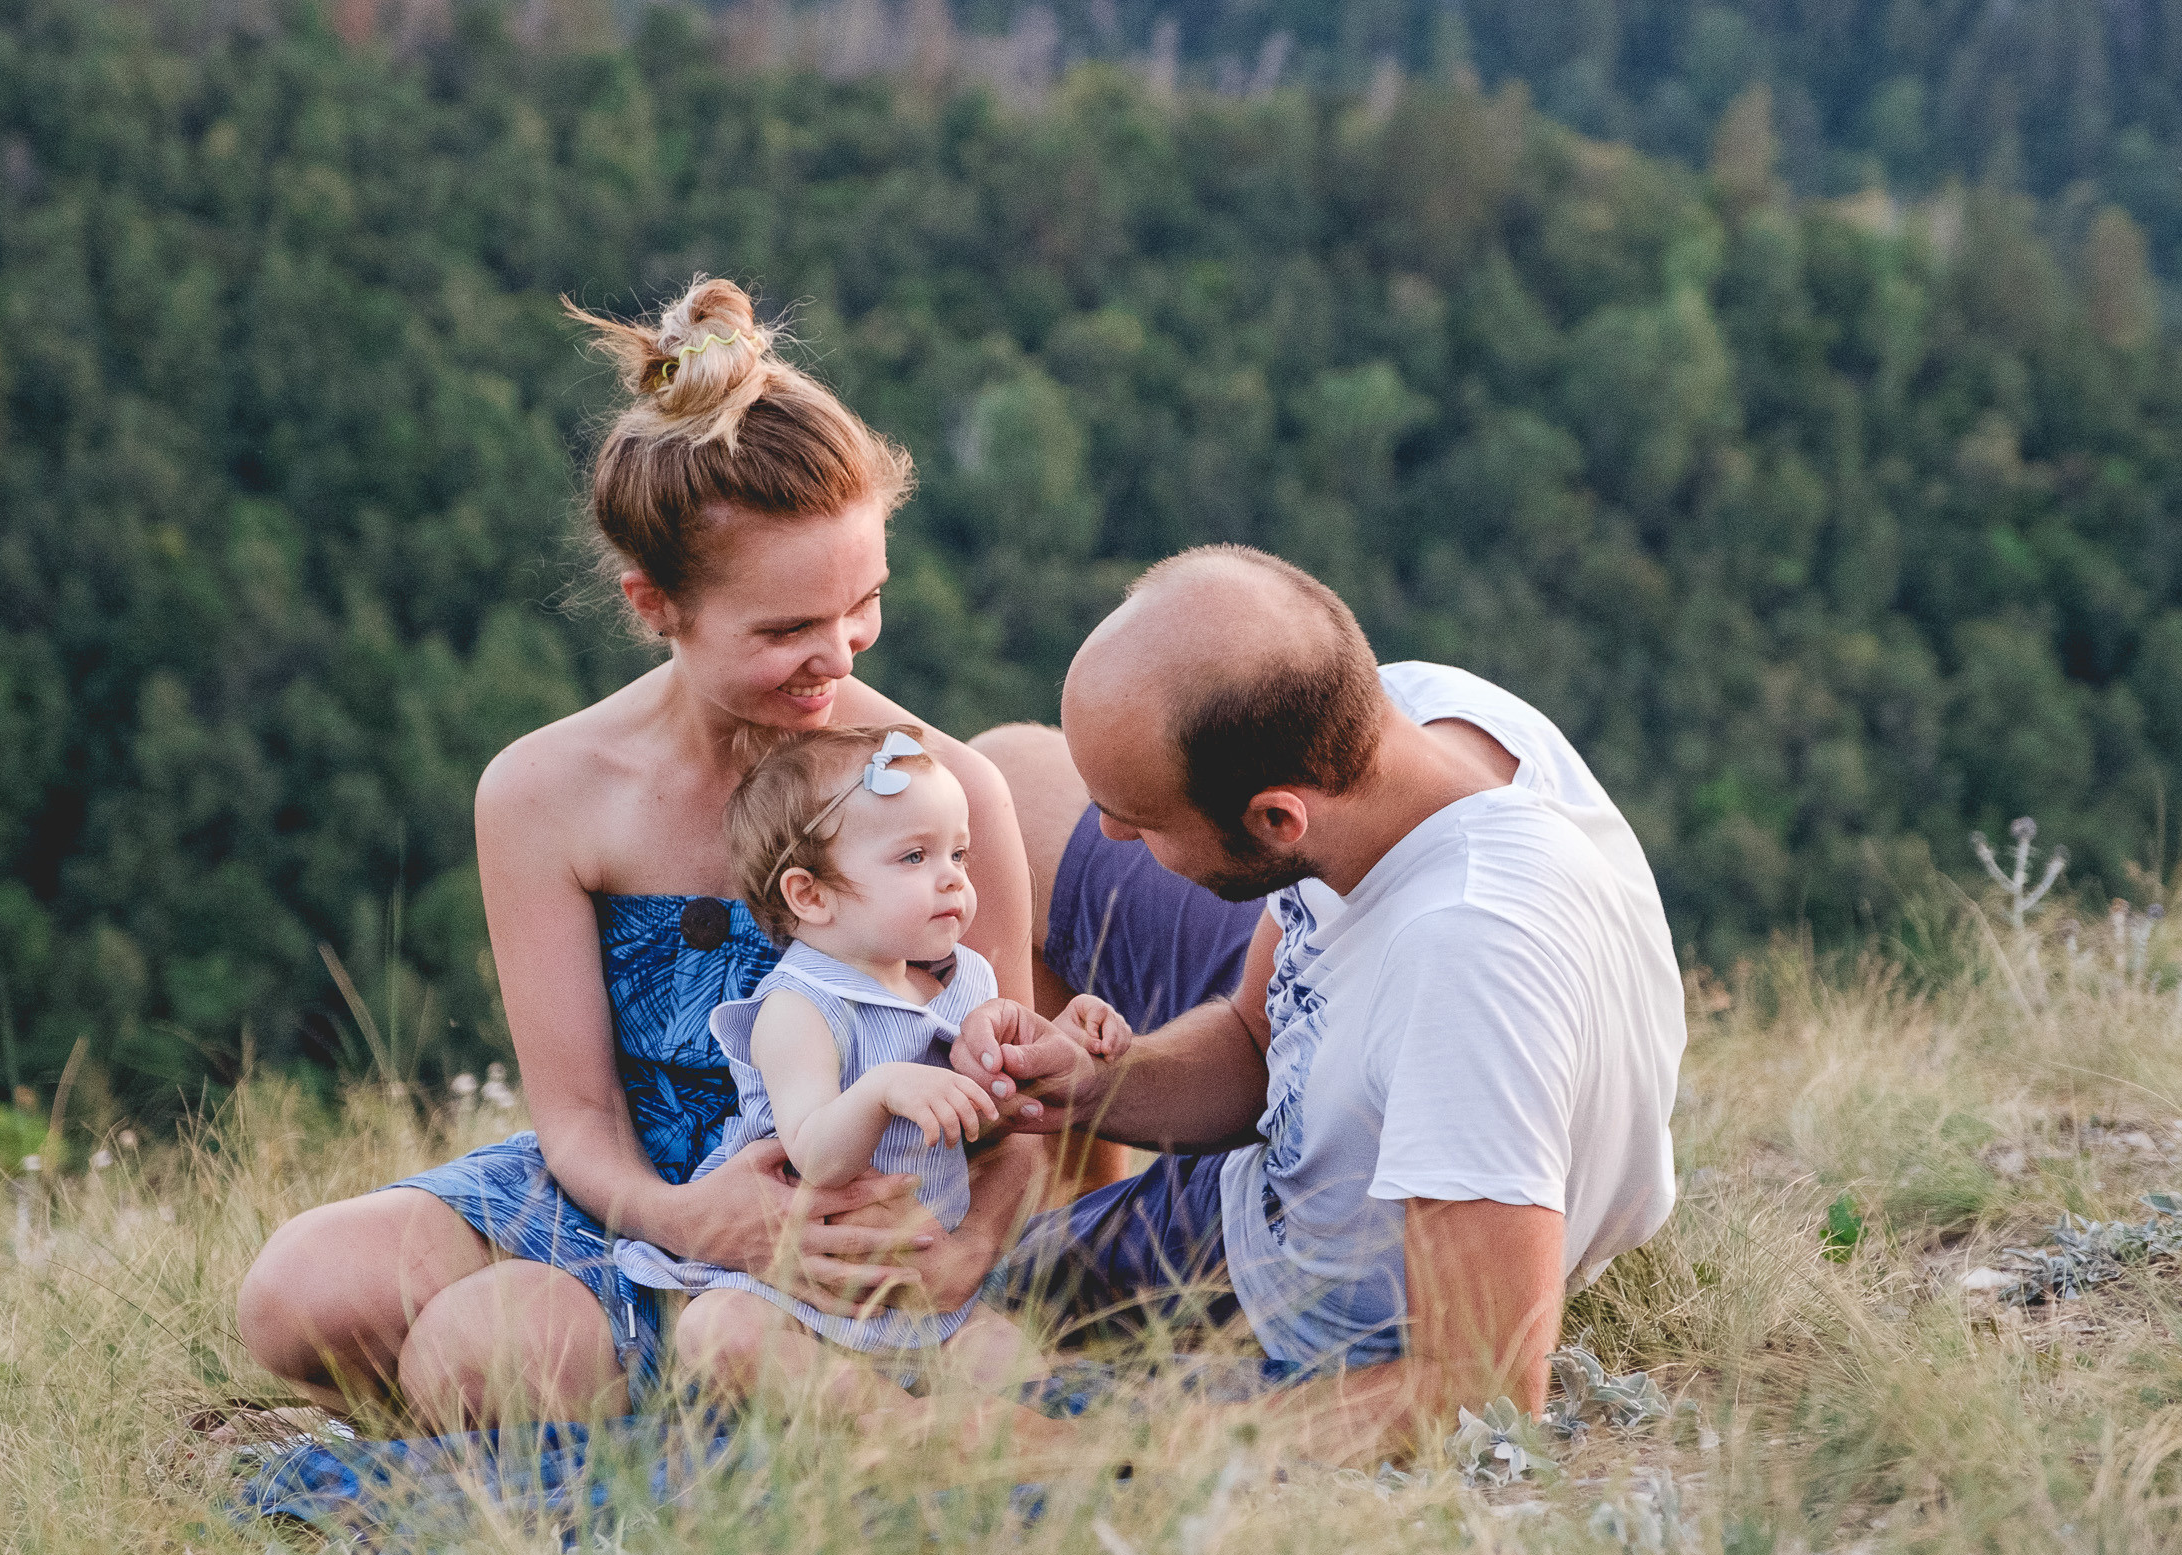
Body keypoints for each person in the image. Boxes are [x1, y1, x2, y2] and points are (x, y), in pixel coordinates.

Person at [235, 278, 1049, 1429]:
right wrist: (686, 1220)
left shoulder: (945, 794)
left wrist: (961, 1259)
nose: (838, 655)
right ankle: (636, 1351)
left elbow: (1013, 1107)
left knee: (474, 1366)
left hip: (852, 1220)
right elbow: (577, 1120)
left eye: (862, 604)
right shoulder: (543, 792)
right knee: (295, 1296)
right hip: (626, 1195)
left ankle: (649, 1372)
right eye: (784, 630)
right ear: (654, 601)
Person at [956, 545, 1685, 1466]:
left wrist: (1119, 1449)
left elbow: (1483, 1392)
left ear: (1275, 821)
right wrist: (1093, 1083)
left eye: (1141, 820)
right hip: (1304, 1165)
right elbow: (1259, 1040)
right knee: (1009, 786)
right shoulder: (1414, 715)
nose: (1112, 835)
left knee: (929, 1367)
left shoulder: (1466, 964)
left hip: (1311, 1305)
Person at [619, 724, 1129, 1420]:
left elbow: (1003, 1118)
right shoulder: (799, 1007)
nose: (952, 876)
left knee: (1010, 1358)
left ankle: (1020, 1438)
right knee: (717, 1332)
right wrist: (885, 1087)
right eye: (915, 856)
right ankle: (908, 1431)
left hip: (923, 1285)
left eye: (959, 852)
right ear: (812, 897)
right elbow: (816, 1152)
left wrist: (1059, 1041)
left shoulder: (960, 981)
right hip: (800, 1291)